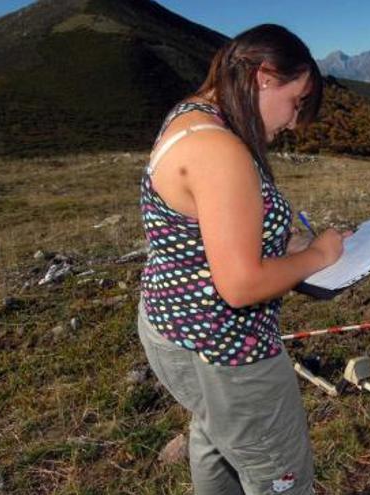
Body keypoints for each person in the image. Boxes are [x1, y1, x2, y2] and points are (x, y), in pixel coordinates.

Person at [136, 24, 345, 495]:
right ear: (266, 76)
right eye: (296, 102)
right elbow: (240, 284)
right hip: (227, 349)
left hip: (177, 327)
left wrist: (283, 247)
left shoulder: (191, 116)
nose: (293, 122)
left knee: (216, 435)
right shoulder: (220, 150)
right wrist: (317, 255)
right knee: (278, 470)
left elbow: (211, 234)